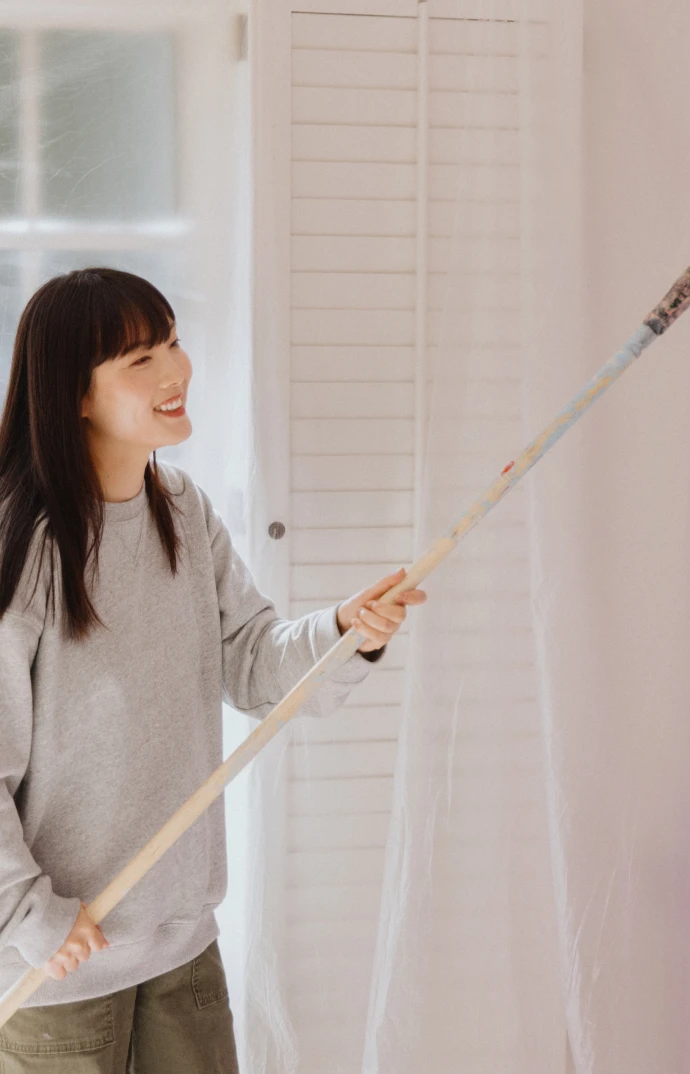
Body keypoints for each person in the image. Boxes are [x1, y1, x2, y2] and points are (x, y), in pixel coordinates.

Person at [0, 268, 426, 1072]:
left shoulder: (182, 512)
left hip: (180, 945)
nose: (174, 371)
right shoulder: (21, 552)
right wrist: (28, 916)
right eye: (138, 359)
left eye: (171, 341)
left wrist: (345, 632)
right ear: (74, 396)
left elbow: (253, 662)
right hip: (57, 963)